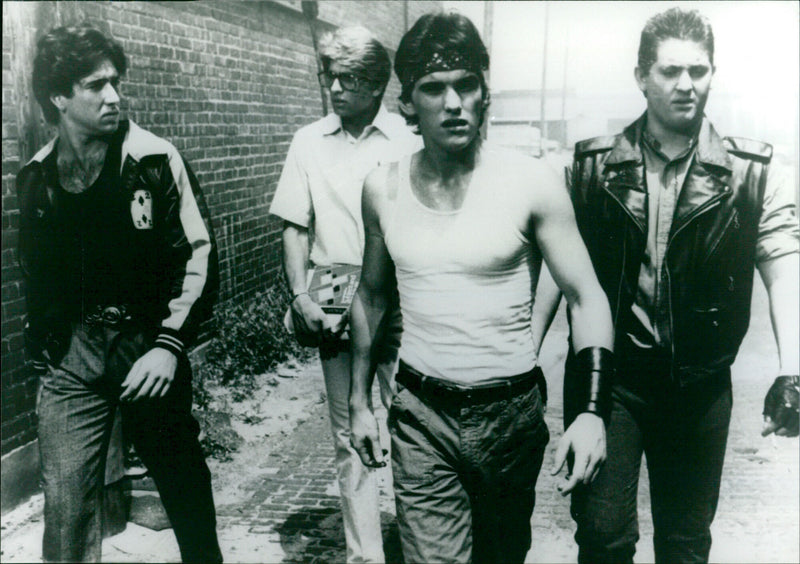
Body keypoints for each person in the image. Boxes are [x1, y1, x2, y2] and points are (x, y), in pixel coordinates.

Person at [348, 12, 617, 564]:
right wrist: (358, 403)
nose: (453, 103)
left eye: (466, 84)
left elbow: (586, 296)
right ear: (407, 104)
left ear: (484, 93)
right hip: (422, 414)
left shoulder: (532, 183)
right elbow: (372, 297)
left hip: (511, 414)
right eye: (433, 88)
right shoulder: (383, 188)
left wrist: (590, 410)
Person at [535, 7, 800, 563]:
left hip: (700, 386)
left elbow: (784, 265)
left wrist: (792, 368)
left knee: (684, 543)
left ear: (712, 74)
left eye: (698, 71)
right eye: (670, 71)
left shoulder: (754, 172)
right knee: (604, 537)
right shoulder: (591, 168)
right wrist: (520, 359)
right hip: (612, 381)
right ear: (641, 76)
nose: (686, 85)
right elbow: (557, 274)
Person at [17, 24, 222, 563]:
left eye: (115, 82)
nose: (113, 96)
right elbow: (35, 274)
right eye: (94, 85)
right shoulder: (36, 178)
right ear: (59, 97)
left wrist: (167, 346)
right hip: (75, 355)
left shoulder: (153, 160)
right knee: (64, 500)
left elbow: (198, 257)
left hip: (147, 343)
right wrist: (47, 349)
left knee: (178, 472)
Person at [268, 25, 418, 563]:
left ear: (377, 86)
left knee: (412, 425)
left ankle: (421, 541)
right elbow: (293, 223)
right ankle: (365, 556)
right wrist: (299, 296)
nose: (335, 87)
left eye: (348, 78)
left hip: (400, 297)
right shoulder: (309, 140)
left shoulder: (407, 138)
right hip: (333, 292)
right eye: (330, 76)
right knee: (347, 432)